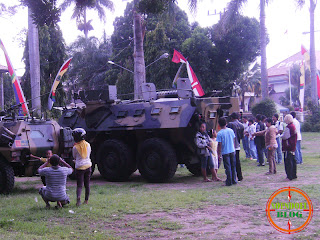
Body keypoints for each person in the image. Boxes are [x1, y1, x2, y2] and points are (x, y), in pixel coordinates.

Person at [72, 128, 92, 206]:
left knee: (79, 185)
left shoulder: (75, 147)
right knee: (87, 185)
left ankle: (78, 199)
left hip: (79, 167)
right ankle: (86, 200)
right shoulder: (88, 144)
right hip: (88, 165)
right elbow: (88, 154)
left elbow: (74, 157)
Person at [217, 117, 237, 186]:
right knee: (233, 166)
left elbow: (219, 145)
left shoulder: (219, 133)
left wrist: (218, 154)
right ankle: (234, 180)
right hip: (232, 150)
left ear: (219, 124)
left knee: (227, 167)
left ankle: (229, 181)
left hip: (225, 152)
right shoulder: (231, 131)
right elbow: (233, 140)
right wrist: (234, 148)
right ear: (226, 123)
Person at [227, 112, 244, 182]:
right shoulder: (241, 125)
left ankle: (232, 177)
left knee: (231, 162)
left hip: (231, 145)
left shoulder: (230, 124)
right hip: (238, 145)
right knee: (237, 161)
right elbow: (242, 136)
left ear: (232, 118)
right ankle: (240, 176)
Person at [281, 114, 297, 180]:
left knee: (288, 162)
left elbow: (285, 136)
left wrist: (280, 136)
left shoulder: (289, 127)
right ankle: (293, 175)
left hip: (288, 146)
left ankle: (289, 176)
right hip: (292, 146)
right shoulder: (293, 126)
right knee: (293, 161)